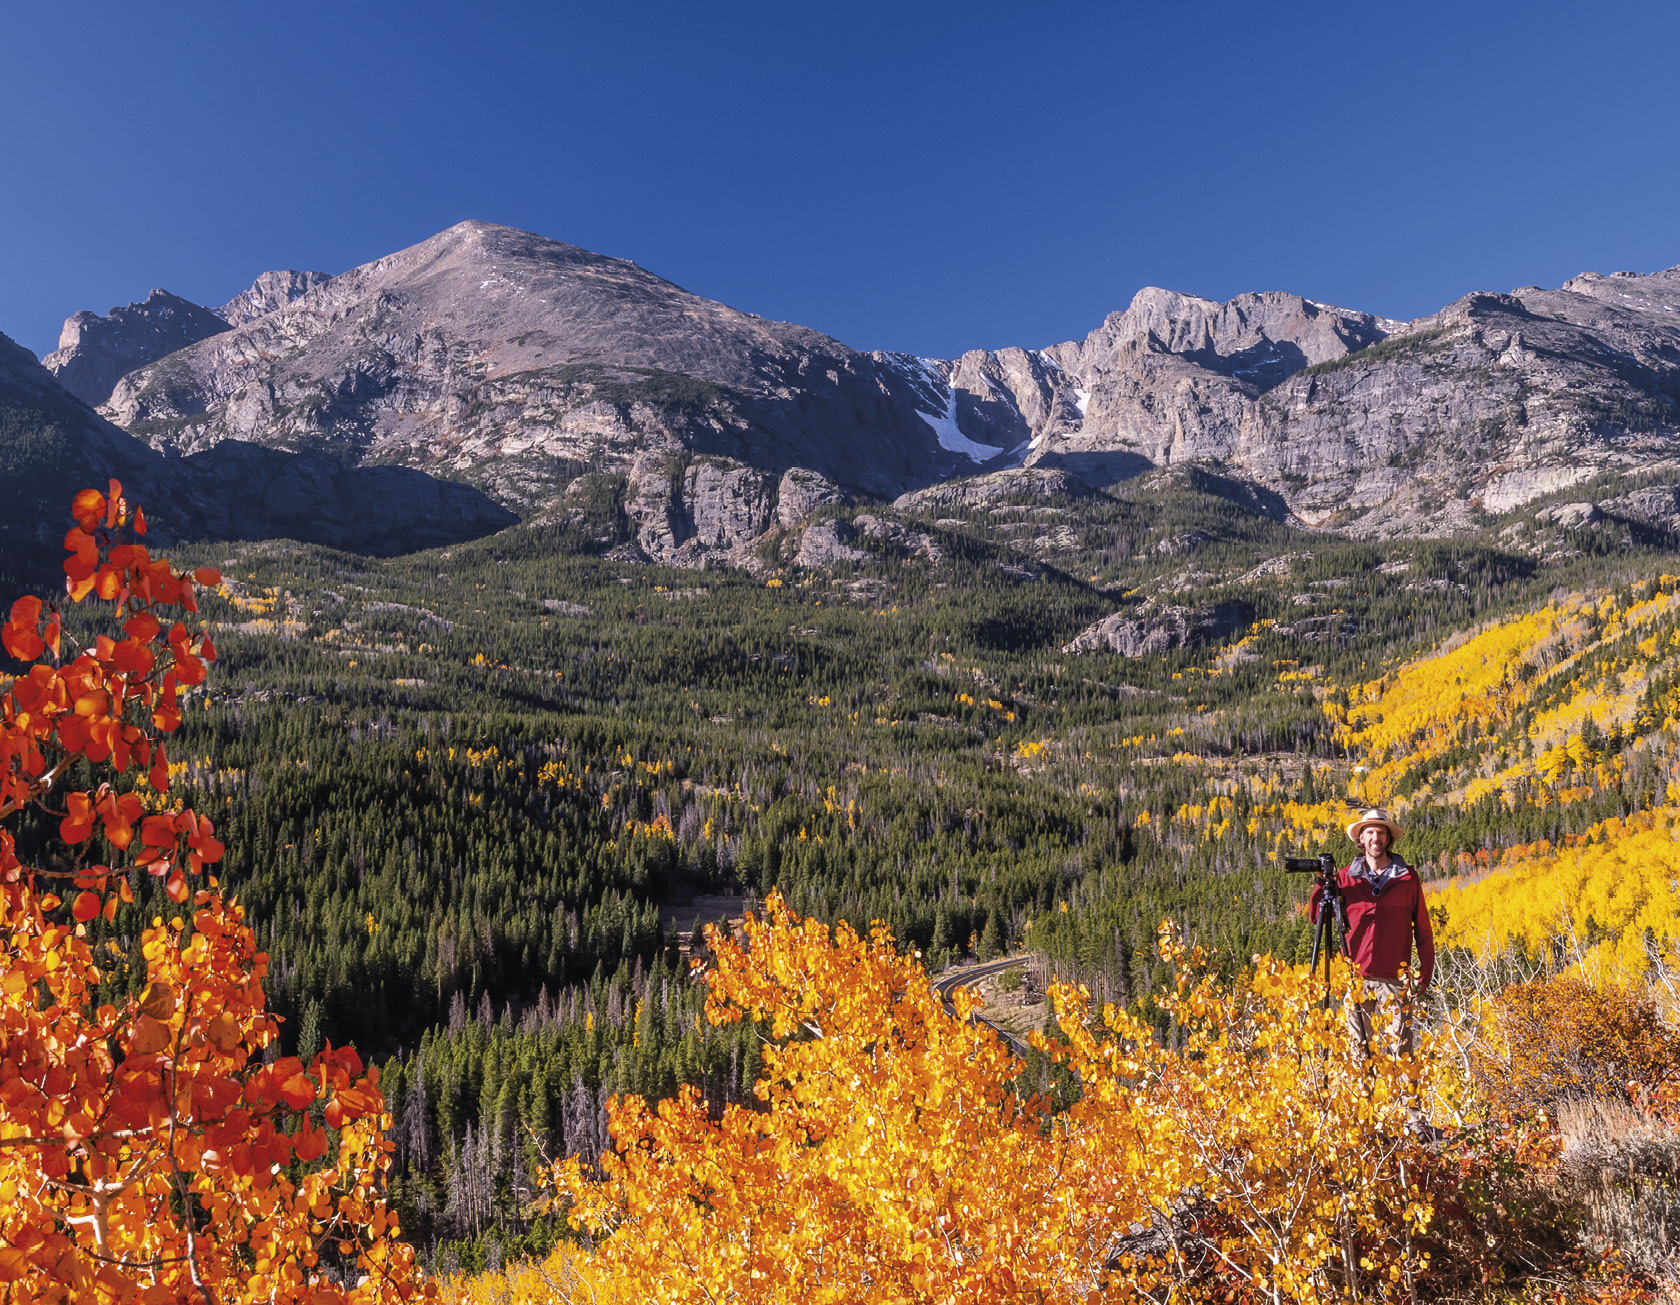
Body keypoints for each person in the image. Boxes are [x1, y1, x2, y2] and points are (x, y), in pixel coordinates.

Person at [1310, 807, 1434, 1058]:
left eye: (1380, 832)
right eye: (1370, 832)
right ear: (1361, 839)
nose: (1375, 838)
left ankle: (1400, 1098)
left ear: (1388, 839)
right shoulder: (1344, 878)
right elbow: (1316, 917)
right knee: (1359, 1056)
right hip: (1356, 979)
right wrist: (1323, 882)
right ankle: (1365, 1097)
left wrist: (1425, 971)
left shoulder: (1408, 878)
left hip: (1396, 980)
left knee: (1401, 1056)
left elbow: (1422, 929)